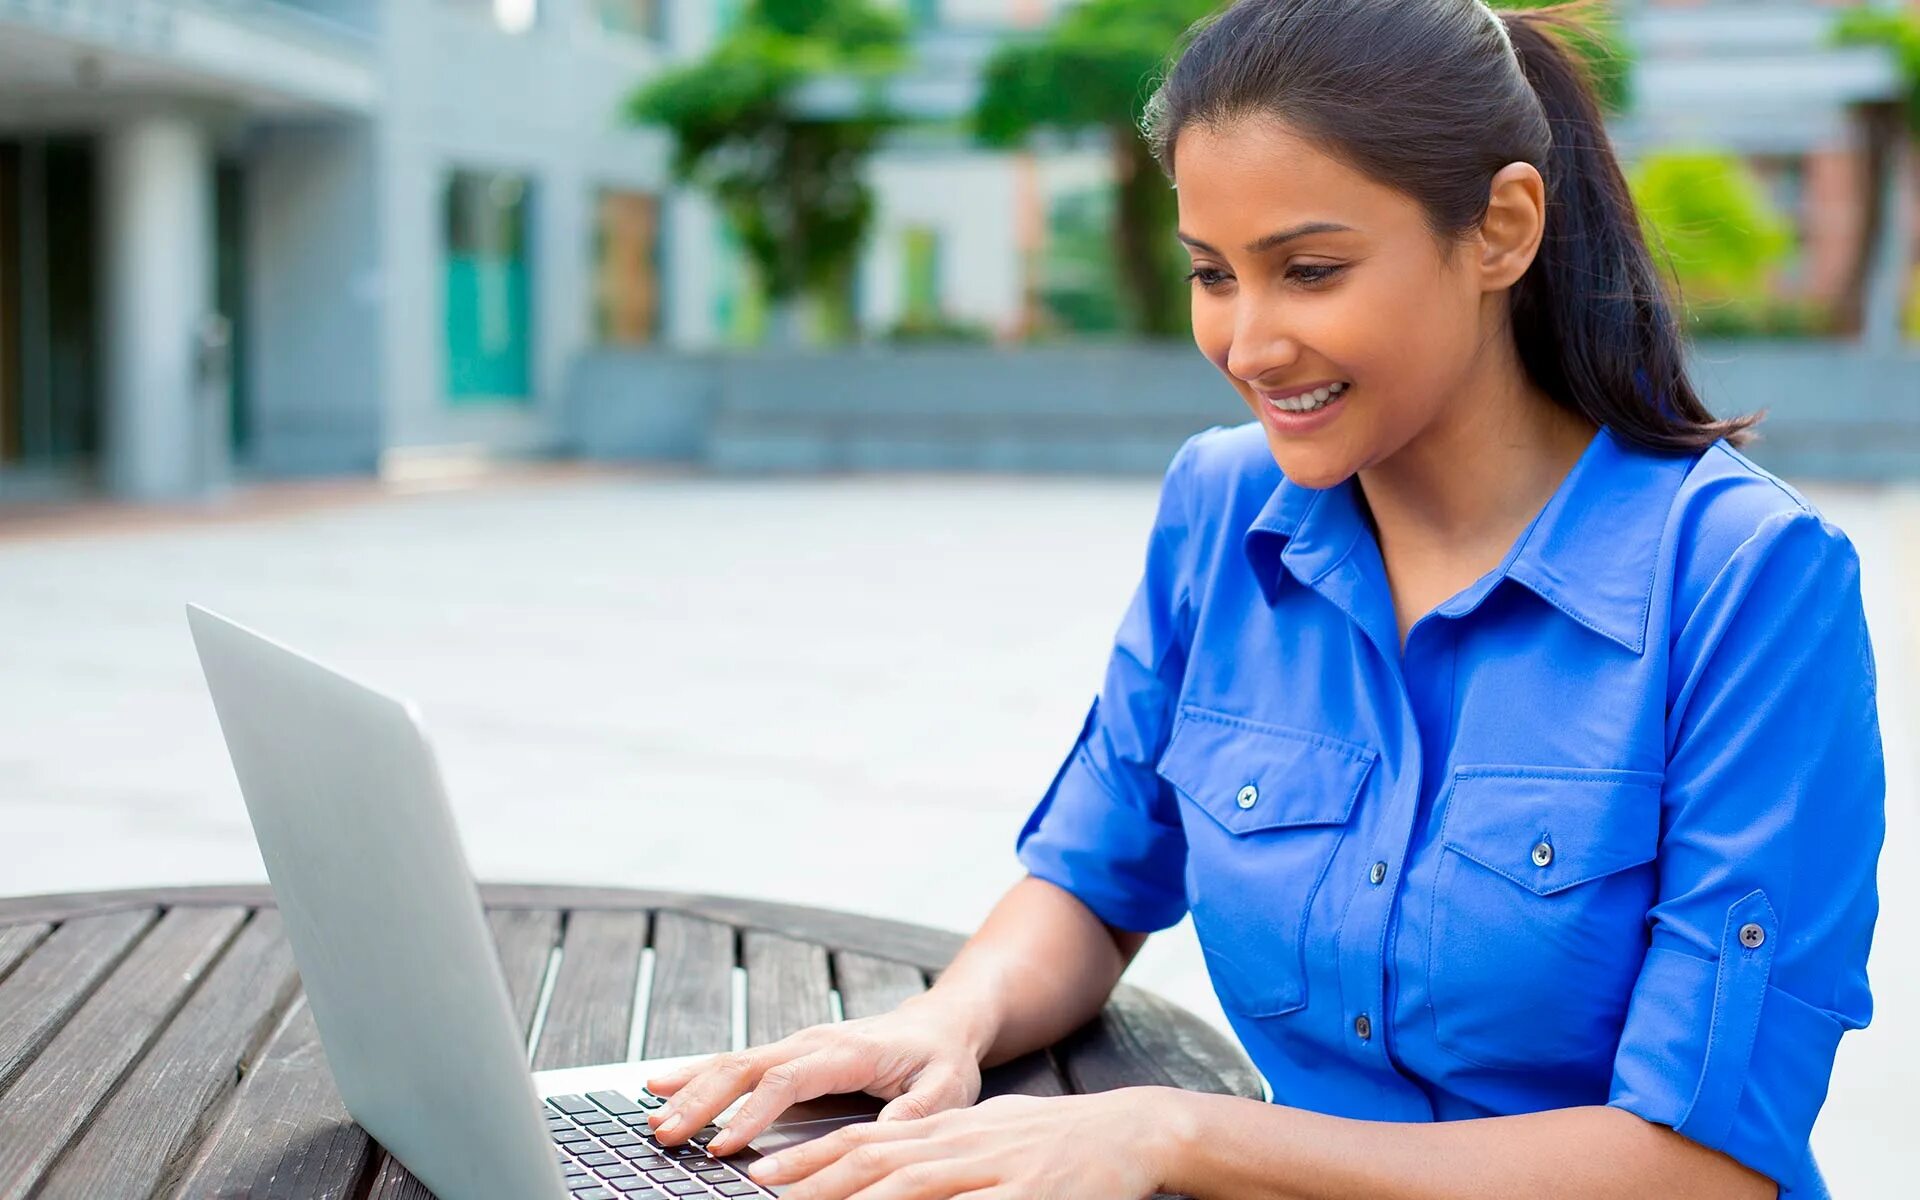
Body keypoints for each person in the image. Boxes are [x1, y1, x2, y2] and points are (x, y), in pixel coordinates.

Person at [643, 1, 1885, 1196]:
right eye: (1212, 274)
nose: (1248, 343)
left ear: (1503, 228)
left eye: (1309, 269)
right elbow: (1097, 869)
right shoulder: (1221, 507)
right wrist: (949, 1018)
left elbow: (1699, 1166)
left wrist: (1181, 1133)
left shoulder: (1746, 580)